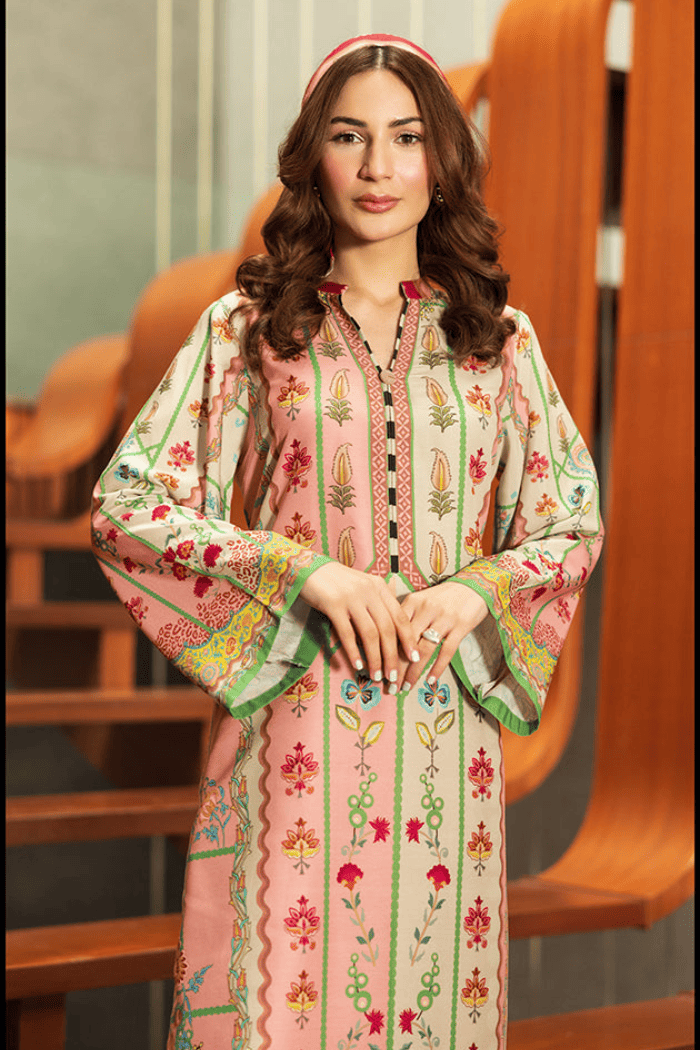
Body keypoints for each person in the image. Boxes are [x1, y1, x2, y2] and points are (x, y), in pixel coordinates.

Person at [92, 34, 603, 1050]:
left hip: (445, 744)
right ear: (312, 157)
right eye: (349, 136)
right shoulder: (249, 329)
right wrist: (305, 570)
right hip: (293, 732)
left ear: (441, 159)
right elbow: (129, 504)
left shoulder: (498, 344)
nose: (378, 168)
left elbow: (568, 520)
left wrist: (475, 593)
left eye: (406, 138)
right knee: (281, 1008)